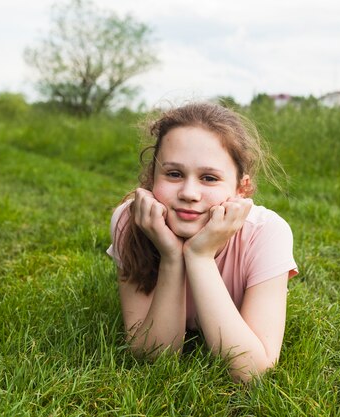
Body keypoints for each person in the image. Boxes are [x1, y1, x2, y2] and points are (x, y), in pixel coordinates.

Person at [107, 102, 298, 382]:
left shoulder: (267, 233)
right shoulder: (132, 220)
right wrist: (172, 257)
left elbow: (252, 371)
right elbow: (153, 355)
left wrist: (200, 257)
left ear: (241, 188)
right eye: (173, 174)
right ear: (152, 176)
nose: (189, 193)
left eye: (209, 178)